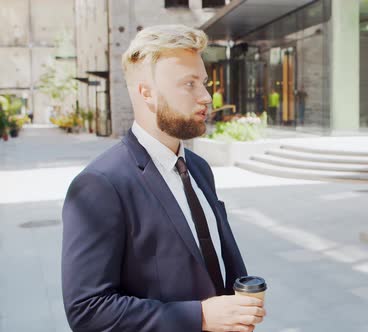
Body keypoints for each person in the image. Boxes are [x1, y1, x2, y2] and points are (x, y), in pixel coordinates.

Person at [61, 25, 265, 332]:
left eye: (204, 83)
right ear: (148, 93)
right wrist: (201, 317)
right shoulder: (100, 185)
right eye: (189, 84)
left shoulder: (198, 167)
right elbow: (88, 310)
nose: (206, 97)